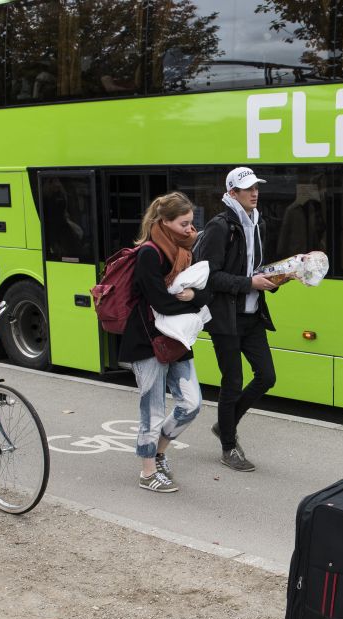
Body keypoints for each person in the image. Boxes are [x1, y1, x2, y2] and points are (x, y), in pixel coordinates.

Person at [195, 167, 288, 472]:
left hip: (252, 316)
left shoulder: (258, 224)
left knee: (267, 377)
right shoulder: (220, 227)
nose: (255, 192)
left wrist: (276, 278)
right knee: (232, 383)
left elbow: (256, 269)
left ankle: (226, 424)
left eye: (256, 187)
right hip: (225, 319)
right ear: (232, 194)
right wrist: (250, 283)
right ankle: (228, 446)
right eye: (248, 189)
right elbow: (210, 277)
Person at [118, 191, 210, 494]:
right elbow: (161, 301)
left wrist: (193, 297)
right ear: (165, 222)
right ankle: (147, 471)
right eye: (184, 224)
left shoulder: (185, 252)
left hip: (176, 340)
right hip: (147, 341)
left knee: (192, 403)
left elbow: (203, 293)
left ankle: (159, 452)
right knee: (152, 409)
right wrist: (193, 302)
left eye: (191, 223)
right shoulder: (149, 253)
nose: (190, 229)